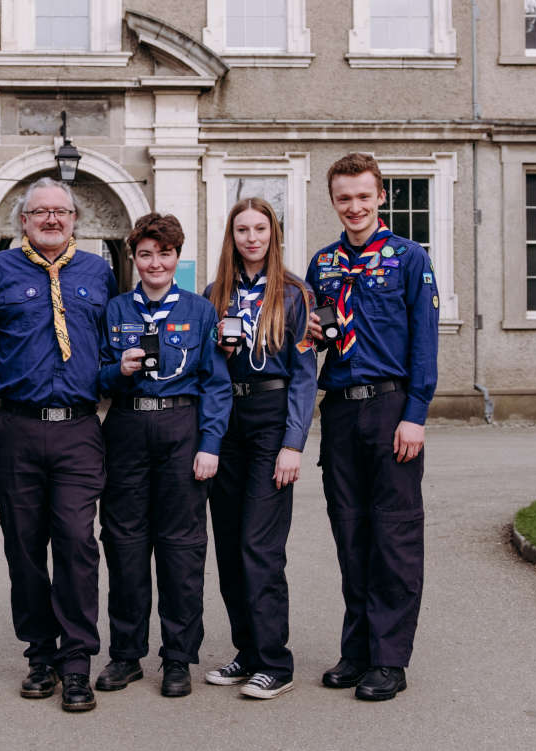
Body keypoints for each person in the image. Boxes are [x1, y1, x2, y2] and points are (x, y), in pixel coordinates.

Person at [0, 177, 118, 713]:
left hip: (79, 428)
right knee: (25, 545)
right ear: (24, 221)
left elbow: (112, 344)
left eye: (61, 211)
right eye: (41, 212)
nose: (52, 219)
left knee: (77, 543)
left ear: (75, 219)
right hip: (17, 426)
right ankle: (40, 655)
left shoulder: (98, 273)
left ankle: (76, 662)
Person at [305, 153, 438, 701]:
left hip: (390, 406)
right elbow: (312, 339)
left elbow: (424, 340)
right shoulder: (323, 264)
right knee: (351, 533)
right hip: (340, 409)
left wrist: (415, 414)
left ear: (380, 196)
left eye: (363, 196)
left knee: (394, 535)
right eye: (344, 198)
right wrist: (312, 333)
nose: (354, 206)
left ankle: (389, 659)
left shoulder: (409, 258)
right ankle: (357, 650)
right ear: (333, 201)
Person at [95, 213, 231, 698]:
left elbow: (216, 385)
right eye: (146, 254)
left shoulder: (200, 311)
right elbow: (96, 377)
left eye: (165, 254)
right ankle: (125, 654)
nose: (155, 263)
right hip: (127, 427)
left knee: (181, 547)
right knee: (124, 544)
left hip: (181, 428)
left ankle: (178, 657)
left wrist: (210, 445)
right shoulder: (115, 310)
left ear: (177, 257)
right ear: (134, 258)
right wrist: (119, 370)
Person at [203, 198, 317, 700]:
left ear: (274, 234)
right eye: (242, 230)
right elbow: (204, 371)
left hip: (271, 419)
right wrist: (218, 352)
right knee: (229, 544)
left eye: (260, 229)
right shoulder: (213, 294)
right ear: (231, 236)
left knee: (259, 545)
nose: (252, 238)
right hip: (226, 419)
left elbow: (305, 375)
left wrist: (293, 442)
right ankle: (247, 652)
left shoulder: (294, 293)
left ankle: (275, 661)